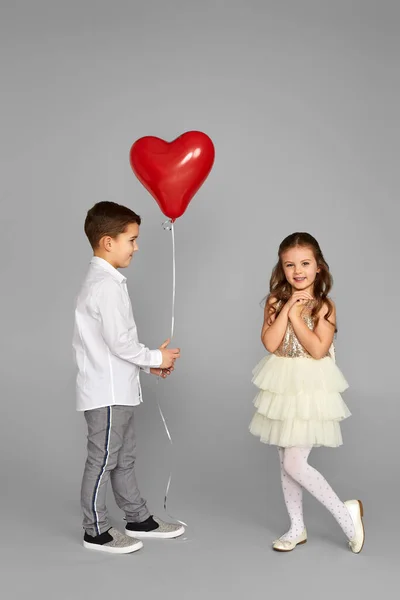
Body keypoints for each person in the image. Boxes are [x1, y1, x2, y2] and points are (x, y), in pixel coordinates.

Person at [73, 201, 184, 554]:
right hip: (106, 393)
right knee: (104, 459)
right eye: (131, 240)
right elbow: (119, 342)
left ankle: (137, 518)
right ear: (108, 242)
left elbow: (115, 345)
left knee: (123, 458)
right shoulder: (104, 285)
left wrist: (149, 365)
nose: (136, 247)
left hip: (118, 389)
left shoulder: (108, 282)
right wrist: (155, 356)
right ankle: (96, 530)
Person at [249, 232, 365, 553]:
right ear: (282, 268)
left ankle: (347, 516)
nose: (297, 271)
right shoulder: (275, 301)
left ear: (318, 267)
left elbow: (316, 349)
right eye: (289, 265)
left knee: (295, 463)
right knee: (286, 459)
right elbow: (271, 343)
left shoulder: (325, 307)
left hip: (311, 387)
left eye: (304, 263)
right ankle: (296, 527)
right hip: (282, 384)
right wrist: (287, 307)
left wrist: (298, 316)